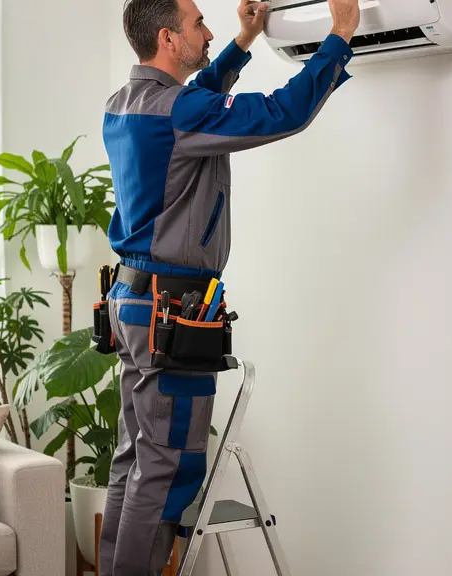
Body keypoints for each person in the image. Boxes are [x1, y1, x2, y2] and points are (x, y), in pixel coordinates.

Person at [98, 0, 360, 573]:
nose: (208, 31)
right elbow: (282, 112)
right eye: (198, 25)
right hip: (170, 312)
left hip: (132, 302)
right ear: (168, 39)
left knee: (134, 460)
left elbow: (197, 102)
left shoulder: (125, 104)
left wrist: (244, 41)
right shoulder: (180, 111)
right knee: (165, 469)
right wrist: (340, 34)